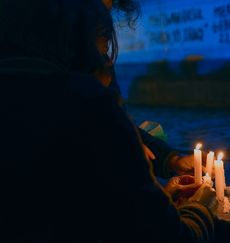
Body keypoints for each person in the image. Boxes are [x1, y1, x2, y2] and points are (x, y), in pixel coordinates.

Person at [0, 0, 216, 242]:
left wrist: (165, 168)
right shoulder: (88, 103)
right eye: (103, 51)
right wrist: (200, 206)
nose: (108, 64)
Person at [98, 0, 198, 180]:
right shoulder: (55, 82)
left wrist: (173, 160)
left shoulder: (103, 64)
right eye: (96, 12)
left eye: (108, 13)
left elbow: (123, 125)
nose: (106, 25)